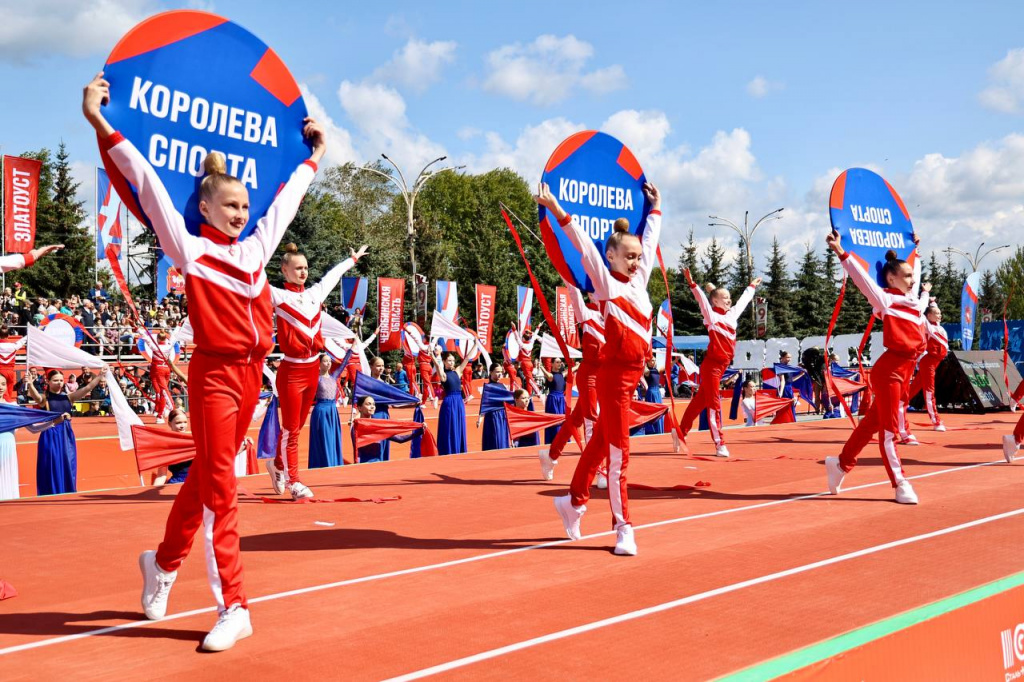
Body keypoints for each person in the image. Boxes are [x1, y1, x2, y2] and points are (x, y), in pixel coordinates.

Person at [84, 72, 326, 650]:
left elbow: (288, 200)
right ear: (206, 206)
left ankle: (163, 565)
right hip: (214, 375)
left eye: (246, 205)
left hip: (253, 379)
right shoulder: (188, 249)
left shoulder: (256, 250)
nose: (242, 213)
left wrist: (319, 154)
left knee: (203, 482)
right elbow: (144, 180)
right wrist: (99, 121)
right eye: (231, 204)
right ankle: (234, 604)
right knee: (222, 487)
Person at [534, 179, 661, 556]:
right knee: (620, 452)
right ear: (612, 257)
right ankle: (624, 527)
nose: (636, 261)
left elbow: (651, 238)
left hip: (633, 374)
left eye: (638, 256)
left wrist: (655, 207)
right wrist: (556, 210)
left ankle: (572, 501)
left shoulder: (641, 279)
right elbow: (582, 244)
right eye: (629, 256)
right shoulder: (605, 282)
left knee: (601, 444)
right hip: (613, 379)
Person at [824, 233, 930, 505]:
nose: (912, 280)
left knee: (871, 423)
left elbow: (915, 270)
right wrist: (840, 251)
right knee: (889, 431)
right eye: (906, 277)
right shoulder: (886, 300)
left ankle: (841, 464)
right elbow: (862, 279)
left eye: (911, 276)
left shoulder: (915, 303)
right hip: (890, 371)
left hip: (906, 371)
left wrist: (913, 249)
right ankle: (899, 482)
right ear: (892, 279)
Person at [266, 243, 366, 500]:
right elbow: (248, 282)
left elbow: (332, 276)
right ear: (284, 270)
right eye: (297, 268)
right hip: (291, 371)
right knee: (291, 429)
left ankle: (278, 464)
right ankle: (294, 483)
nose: (303, 272)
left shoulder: (314, 294)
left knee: (297, 426)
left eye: (306, 268)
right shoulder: (278, 296)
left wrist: (351, 259)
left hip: (312, 370)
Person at [677, 272, 761, 457]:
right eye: (725, 298)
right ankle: (719, 443)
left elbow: (744, 301)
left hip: (723, 366)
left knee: (699, 402)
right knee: (714, 404)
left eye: (729, 297)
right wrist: (692, 284)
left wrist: (752, 286)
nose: (729, 300)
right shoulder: (710, 315)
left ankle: (680, 432)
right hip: (712, 366)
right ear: (715, 301)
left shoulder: (732, 315)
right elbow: (701, 300)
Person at [540, 285, 604, 482]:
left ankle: (551, 455)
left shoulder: (612, 313)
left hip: (605, 374)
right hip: (589, 376)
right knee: (593, 420)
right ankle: (599, 470)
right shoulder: (587, 313)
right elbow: (575, 294)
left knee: (576, 420)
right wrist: (569, 275)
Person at [28, 369, 102, 495]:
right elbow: (37, 397)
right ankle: (51, 491)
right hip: (50, 434)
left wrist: (101, 375)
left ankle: (67, 490)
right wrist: (30, 384)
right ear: (48, 381)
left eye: (61, 380)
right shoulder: (45, 399)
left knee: (68, 463)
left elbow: (88, 387)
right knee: (51, 464)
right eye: (55, 380)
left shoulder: (69, 397)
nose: (59, 383)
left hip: (66, 435)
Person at [0, 374, 67, 500]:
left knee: (6, 478)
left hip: (8, 449)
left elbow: (34, 428)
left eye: (3, 384)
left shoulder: (13, 407)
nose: (0, 387)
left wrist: (54, 422)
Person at [905, 302, 947, 432]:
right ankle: (936, 421)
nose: (940, 315)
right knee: (929, 391)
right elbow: (920, 311)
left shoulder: (937, 326)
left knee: (912, 390)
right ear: (928, 315)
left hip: (935, 361)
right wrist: (925, 294)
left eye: (940, 313)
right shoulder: (927, 325)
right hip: (928, 361)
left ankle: (893, 408)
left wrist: (933, 301)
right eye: (937, 313)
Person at [433, 341, 476, 455]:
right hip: (449, 402)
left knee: (459, 424)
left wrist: (475, 345)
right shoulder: (443, 374)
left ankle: (459, 448)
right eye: (449, 361)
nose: (451, 363)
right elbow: (437, 366)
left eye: (453, 360)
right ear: (444, 362)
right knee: (449, 426)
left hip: (459, 402)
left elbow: (466, 359)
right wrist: (432, 355)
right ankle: (449, 449)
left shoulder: (457, 371)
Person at [308, 354, 345, 469]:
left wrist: (352, 348)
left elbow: (344, 364)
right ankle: (324, 464)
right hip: (321, 411)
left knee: (333, 438)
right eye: (325, 361)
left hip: (333, 411)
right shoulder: (315, 378)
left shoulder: (334, 377)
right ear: (319, 363)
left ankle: (333, 463)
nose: (328, 363)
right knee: (324, 439)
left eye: (329, 361)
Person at [477, 364, 511, 450]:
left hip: (503, 416)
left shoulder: (503, 386)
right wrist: (480, 419)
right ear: (491, 372)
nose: (499, 374)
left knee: (503, 439)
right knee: (495, 439)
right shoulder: (488, 387)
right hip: (492, 417)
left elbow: (508, 402)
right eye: (497, 372)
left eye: (501, 372)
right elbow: (484, 403)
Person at [540, 357, 567, 444]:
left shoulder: (562, 375)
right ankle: (554, 439)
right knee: (554, 421)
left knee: (563, 420)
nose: (560, 363)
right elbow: (547, 374)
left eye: (560, 362)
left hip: (561, 399)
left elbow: (571, 370)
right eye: (557, 362)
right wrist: (541, 367)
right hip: (553, 400)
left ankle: (561, 439)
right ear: (552, 364)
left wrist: (579, 364)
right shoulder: (551, 376)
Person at [511, 323, 543, 396]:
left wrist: (514, 329)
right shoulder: (531, 343)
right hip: (530, 363)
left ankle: (538, 392)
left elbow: (516, 337)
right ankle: (529, 393)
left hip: (525, 364)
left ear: (523, 338)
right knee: (528, 380)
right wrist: (538, 327)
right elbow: (534, 335)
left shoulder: (522, 344)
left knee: (530, 379)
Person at [642, 355, 665, 434]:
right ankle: (652, 430)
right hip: (651, 393)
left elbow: (668, 365)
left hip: (657, 393)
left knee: (660, 411)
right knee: (652, 411)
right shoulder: (647, 371)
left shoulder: (657, 370)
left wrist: (676, 360)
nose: (653, 361)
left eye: (654, 360)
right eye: (651, 360)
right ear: (648, 362)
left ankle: (659, 429)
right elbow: (642, 364)